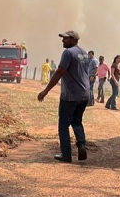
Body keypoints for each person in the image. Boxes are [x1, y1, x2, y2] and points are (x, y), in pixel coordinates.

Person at [37, 30, 89, 162]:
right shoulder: (84, 53)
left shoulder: (68, 53)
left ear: (73, 39)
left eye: (65, 39)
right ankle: (81, 144)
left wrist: (46, 90)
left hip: (70, 95)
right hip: (84, 94)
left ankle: (66, 154)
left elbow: (60, 72)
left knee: (63, 124)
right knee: (77, 121)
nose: (63, 41)